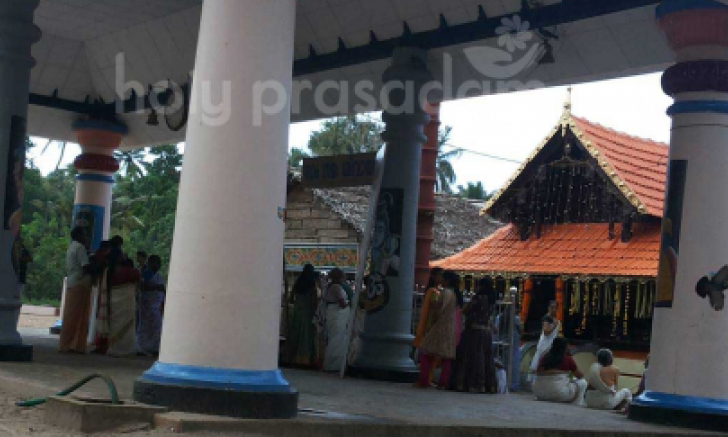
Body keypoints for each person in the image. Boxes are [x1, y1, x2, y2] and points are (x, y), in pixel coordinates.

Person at [415, 270, 459, 389]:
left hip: (440, 326)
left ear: (447, 280)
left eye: (443, 278)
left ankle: (424, 379)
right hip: (450, 327)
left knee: (426, 350)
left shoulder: (445, 292)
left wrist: (432, 307)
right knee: (446, 356)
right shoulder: (454, 294)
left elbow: (438, 308)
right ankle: (443, 382)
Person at [453, 276, 497, 393]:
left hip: (474, 330)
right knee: (486, 358)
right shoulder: (492, 300)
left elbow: (466, 310)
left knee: (473, 357)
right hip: (486, 331)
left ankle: (472, 384)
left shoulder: (478, 298)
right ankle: (486, 385)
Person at [94, 252, 140, 356]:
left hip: (114, 298)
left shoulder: (110, 271)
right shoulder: (134, 272)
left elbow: (107, 287)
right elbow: (138, 285)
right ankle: (127, 349)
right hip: (129, 300)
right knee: (128, 325)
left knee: (115, 323)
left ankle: (114, 347)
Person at [59, 227, 93, 354]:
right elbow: (85, 267)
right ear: (79, 236)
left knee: (73, 315)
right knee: (77, 316)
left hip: (74, 282)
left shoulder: (72, 247)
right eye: (84, 235)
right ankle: (70, 344)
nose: (86, 237)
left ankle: (72, 344)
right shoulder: (80, 248)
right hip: (80, 283)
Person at [533, 337, 587, 405]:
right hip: (559, 394)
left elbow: (538, 372)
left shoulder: (544, 358)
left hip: (539, 393)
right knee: (582, 382)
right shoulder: (567, 359)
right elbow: (579, 376)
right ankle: (578, 403)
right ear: (565, 347)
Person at [414, 267, 444, 386]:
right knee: (428, 354)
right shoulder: (432, 292)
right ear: (434, 277)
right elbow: (434, 309)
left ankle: (428, 378)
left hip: (434, 325)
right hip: (430, 326)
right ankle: (425, 378)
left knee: (432, 354)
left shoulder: (437, 291)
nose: (442, 278)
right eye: (440, 275)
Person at [285, 264, 318, 366]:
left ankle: (289, 357)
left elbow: (291, 299)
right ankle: (304, 359)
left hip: (297, 311)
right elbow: (314, 300)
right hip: (307, 311)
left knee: (295, 333)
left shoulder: (298, 282)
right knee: (305, 335)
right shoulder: (312, 284)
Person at [136, 255, 166, 356]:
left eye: (159, 263)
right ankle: (143, 348)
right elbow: (142, 286)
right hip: (148, 305)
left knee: (155, 327)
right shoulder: (147, 273)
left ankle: (153, 348)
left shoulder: (156, 275)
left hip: (155, 305)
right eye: (156, 262)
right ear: (150, 263)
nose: (158, 265)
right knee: (147, 327)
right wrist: (157, 287)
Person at [323, 268, 350, 372]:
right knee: (337, 338)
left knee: (334, 338)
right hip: (337, 314)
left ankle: (332, 363)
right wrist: (350, 303)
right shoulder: (336, 287)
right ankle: (334, 364)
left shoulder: (329, 287)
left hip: (332, 313)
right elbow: (342, 303)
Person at [529, 300, 561, 382]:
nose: (553, 309)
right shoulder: (546, 318)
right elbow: (546, 332)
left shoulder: (554, 319)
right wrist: (554, 325)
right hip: (545, 344)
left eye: (555, 308)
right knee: (541, 362)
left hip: (551, 344)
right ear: (548, 308)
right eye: (552, 307)